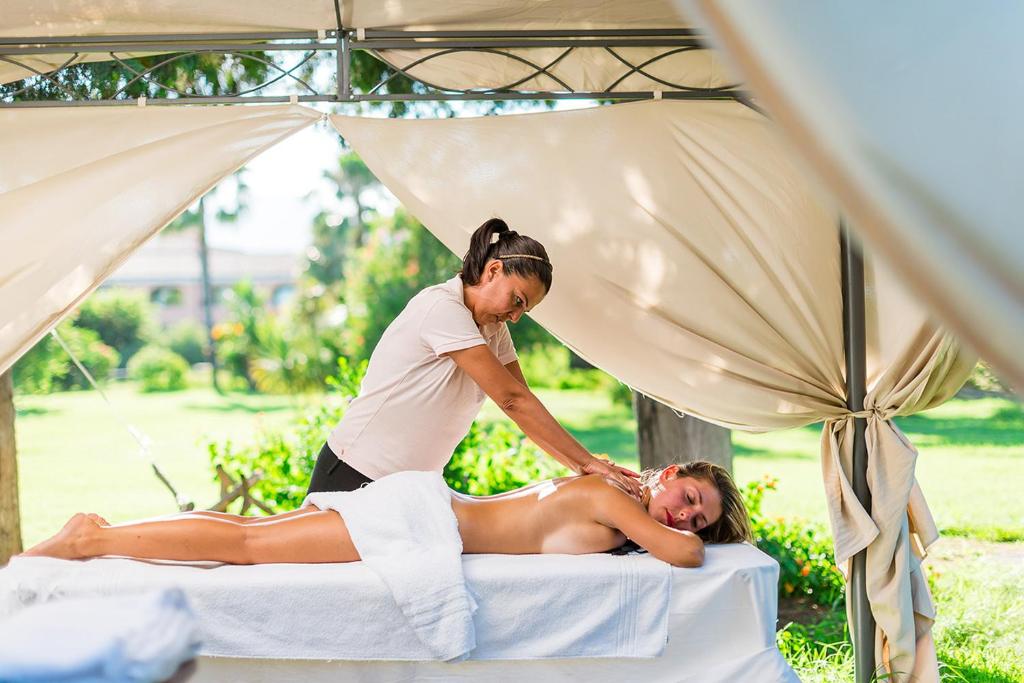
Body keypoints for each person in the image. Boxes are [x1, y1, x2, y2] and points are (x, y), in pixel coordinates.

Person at [306, 217, 641, 498]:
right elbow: (512, 400)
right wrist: (586, 463)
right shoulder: (442, 308)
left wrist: (584, 466)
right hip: (353, 473)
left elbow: (523, 407)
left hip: (405, 489)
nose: (515, 316)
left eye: (525, 310)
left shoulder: (493, 332)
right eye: (517, 300)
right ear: (493, 271)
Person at [22, 462, 752, 568]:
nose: (688, 520)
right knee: (246, 545)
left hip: (423, 509)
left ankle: (99, 531)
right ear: (668, 473)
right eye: (690, 498)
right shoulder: (615, 502)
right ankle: (94, 537)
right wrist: (686, 537)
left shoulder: (613, 495)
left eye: (701, 518)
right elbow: (683, 557)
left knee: (256, 535)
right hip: (421, 522)